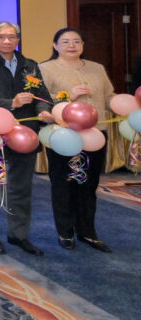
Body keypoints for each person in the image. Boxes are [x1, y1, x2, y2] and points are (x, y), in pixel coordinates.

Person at [0, 21, 55, 256]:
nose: (7, 41)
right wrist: (11, 103)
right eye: (1, 37)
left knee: (22, 187)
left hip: (25, 134)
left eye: (12, 36)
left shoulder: (30, 65)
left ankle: (19, 235)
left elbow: (42, 96)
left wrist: (43, 111)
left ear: (18, 39)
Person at [38, 28, 115, 252]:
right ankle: (65, 231)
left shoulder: (96, 68)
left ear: (82, 45)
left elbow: (109, 97)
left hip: (95, 134)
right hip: (64, 135)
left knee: (89, 184)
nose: (71, 45)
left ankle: (87, 232)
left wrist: (125, 104)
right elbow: (41, 100)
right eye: (65, 42)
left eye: (76, 41)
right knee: (64, 183)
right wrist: (67, 97)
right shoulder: (45, 68)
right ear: (55, 45)